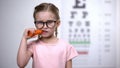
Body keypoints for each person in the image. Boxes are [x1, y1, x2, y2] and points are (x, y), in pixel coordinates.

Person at [17, 3, 78, 68]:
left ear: (57, 23)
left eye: (49, 22)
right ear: (35, 24)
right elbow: (21, 64)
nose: (45, 27)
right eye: (40, 22)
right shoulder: (33, 45)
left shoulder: (66, 47)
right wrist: (24, 38)